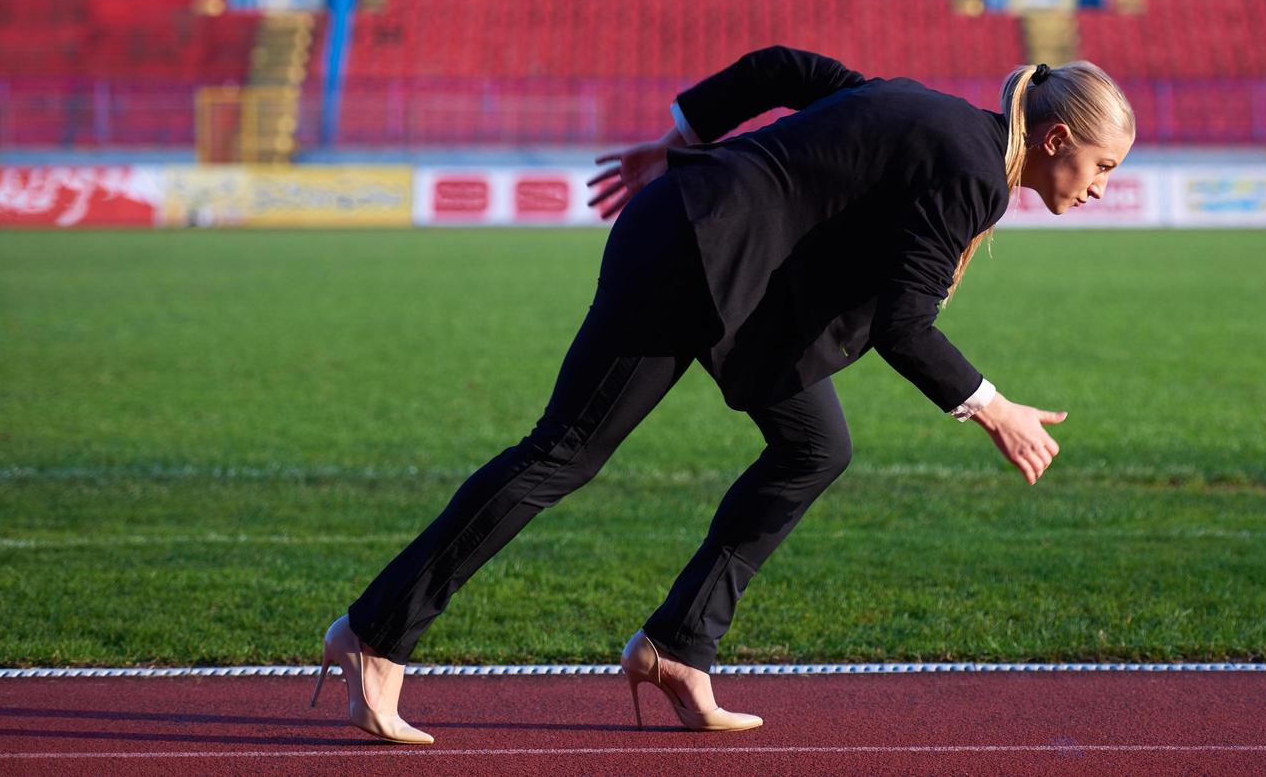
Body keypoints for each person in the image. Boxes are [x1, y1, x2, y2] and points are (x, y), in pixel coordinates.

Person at [310, 46, 1136, 743]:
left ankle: (677, 648)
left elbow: (783, 68)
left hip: (730, 273)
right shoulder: (971, 172)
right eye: (1101, 167)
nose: (1101, 187)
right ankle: (374, 636)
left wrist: (679, 141)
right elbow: (904, 325)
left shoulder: (929, 115)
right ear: (1057, 137)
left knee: (816, 448)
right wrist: (993, 406)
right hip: (691, 258)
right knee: (561, 453)